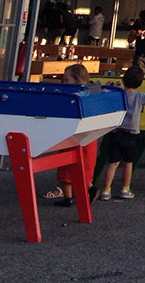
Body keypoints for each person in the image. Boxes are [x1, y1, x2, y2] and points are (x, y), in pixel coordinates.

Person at [98, 67, 145, 200]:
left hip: (115, 132)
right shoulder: (139, 96)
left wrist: (107, 87)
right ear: (140, 83)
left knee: (112, 163)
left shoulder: (118, 93)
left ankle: (106, 190)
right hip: (131, 134)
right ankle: (125, 189)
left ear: (123, 80)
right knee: (128, 163)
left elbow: (103, 96)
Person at [43, 64, 98, 206]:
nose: (64, 83)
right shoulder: (93, 90)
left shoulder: (73, 94)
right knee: (85, 168)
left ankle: (68, 197)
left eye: (67, 80)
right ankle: (89, 189)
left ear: (77, 79)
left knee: (65, 169)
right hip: (90, 135)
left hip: (73, 135)